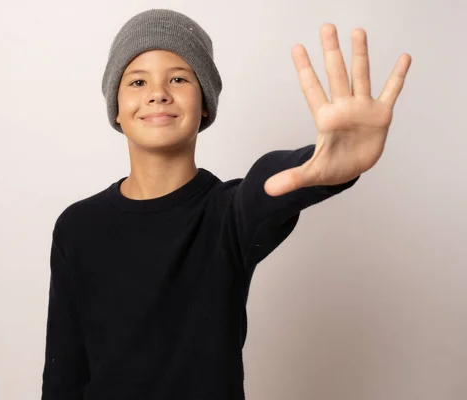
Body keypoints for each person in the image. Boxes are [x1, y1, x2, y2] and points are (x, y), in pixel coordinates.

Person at [40, 9, 411, 400]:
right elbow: (64, 372)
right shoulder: (78, 226)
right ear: (115, 107)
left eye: (179, 78)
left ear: (205, 104)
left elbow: (267, 182)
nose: (157, 92)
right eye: (137, 81)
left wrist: (326, 161)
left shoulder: (228, 215)